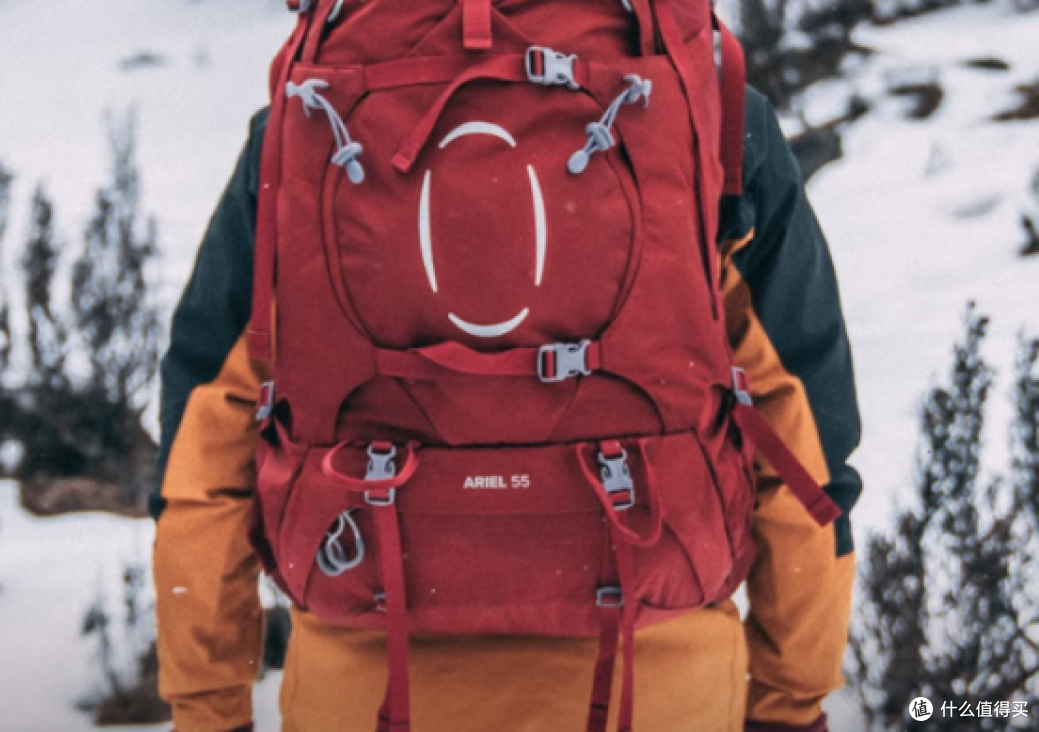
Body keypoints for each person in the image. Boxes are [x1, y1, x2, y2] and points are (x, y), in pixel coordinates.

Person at [152, 83, 861, 732]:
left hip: (365, 697)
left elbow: (206, 446)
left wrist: (209, 707)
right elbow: (804, 441)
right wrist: (788, 704)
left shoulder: (306, 122)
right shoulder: (711, 116)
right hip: (656, 696)